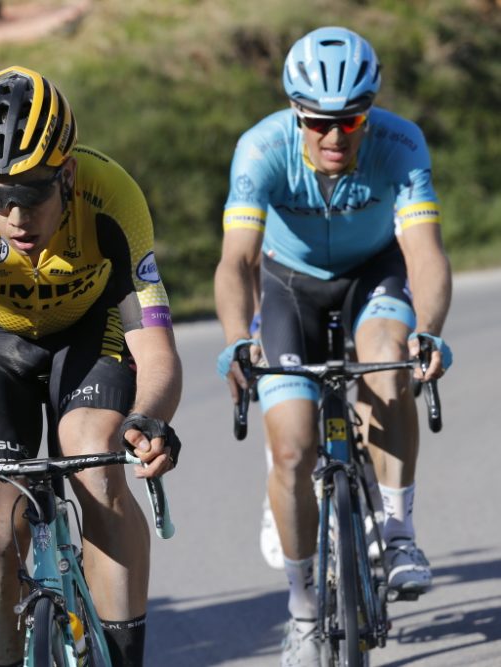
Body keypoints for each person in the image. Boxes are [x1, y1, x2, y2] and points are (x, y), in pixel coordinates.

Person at [0, 65, 183, 667]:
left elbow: (155, 349)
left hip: (89, 328)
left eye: (33, 193)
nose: (15, 216)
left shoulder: (111, 196)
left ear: (67, 173)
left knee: (94, 462)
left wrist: (150, 418)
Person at [214, 27, 452, 666]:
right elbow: (237, 261)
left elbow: (425, 253)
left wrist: (429, 328)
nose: (334, 137)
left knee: (388, 364)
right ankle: (301, 611)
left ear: (369, 112)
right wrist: (239, 340)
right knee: (292, 444)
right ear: (296, 113)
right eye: (318, 122)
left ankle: (398, 533)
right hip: (287, 284)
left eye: (351, 121)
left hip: (375, 273)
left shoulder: (401, 144)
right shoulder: (260, 149)